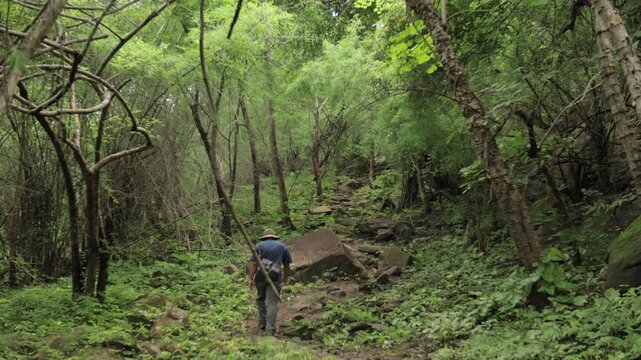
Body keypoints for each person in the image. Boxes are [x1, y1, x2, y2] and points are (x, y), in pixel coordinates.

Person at [248, 228, 292, 336]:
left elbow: (254, 264)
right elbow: (287, 265)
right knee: (272, 302)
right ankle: (270, 329)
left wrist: (250, 278)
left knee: (260, 298)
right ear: (274, 236)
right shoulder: (282, 246)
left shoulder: (258, 246)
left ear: (264, 237)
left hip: (260, 276)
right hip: (275, 276)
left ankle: (262, 324)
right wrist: (285, 277)